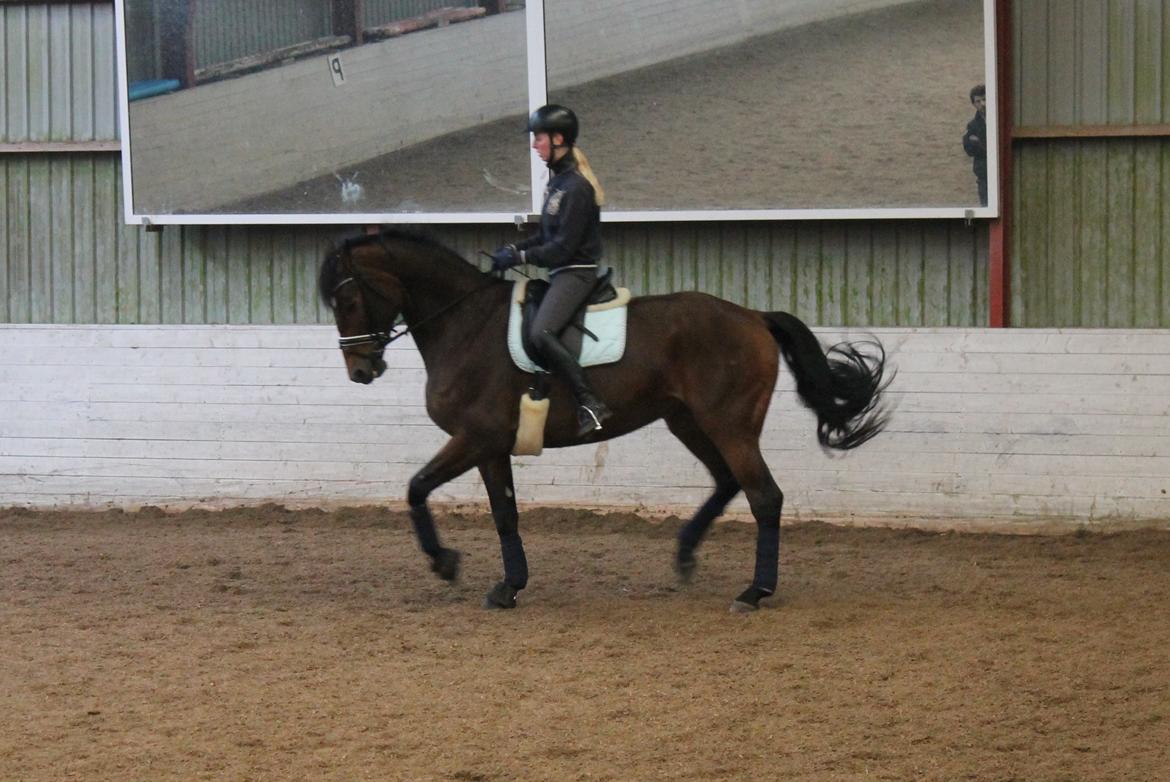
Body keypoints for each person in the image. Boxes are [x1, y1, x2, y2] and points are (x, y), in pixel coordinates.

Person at [490, 104, 613, 437]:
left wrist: (520, 258)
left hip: (576, 272)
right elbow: (546, 236)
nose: (534, 145)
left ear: (558, 139)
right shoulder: (557, 183)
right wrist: (515, 248)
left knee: (541, 331)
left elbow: (562, 248)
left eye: (538, 138)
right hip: (561, 271)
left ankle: (590, 402)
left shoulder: (576, 188)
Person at [962, 84, 988, 206]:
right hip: (984, 177)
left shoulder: (1000, 119)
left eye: (985, 99)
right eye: (978, 101)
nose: (982, 104)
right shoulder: (973, 125)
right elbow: (968, 148)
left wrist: (980, 143)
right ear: (974, 104)